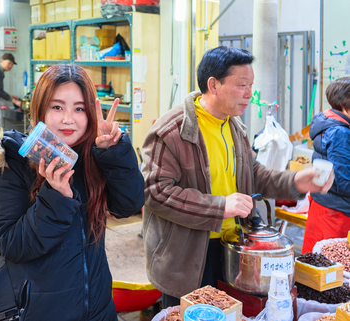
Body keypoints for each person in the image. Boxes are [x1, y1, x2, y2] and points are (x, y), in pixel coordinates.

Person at [140, 46, 334, 308]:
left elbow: (253, 174)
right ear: (214, 85)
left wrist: (296, 181)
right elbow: (155, 192)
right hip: (186, 255)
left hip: (233, 246)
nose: (249, 94)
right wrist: (220, 206)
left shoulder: (235, 127)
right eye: (242, 85)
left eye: (251, 85)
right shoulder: (172, 131)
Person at [0, 64, 145, 320]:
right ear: (40, 110)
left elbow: (129, 205)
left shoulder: (94, 157)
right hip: (36, 311)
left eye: (79, 109)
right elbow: (10, 243)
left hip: (97, 307)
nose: (68, 119)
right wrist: (55, 196)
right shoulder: (14, 162)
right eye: (57, 107)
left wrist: (115, 153)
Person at [301, 77, 350, 253]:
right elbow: (345, 181)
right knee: (331, 267)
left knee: (320, 263)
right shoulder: (339, 132)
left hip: (327, 205)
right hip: (336, 211)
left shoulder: (331, 122)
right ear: (345, 103)